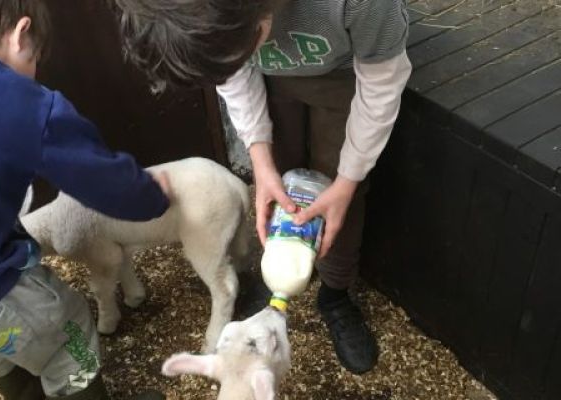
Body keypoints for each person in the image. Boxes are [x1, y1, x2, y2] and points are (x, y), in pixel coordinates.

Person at [115, 0, 412, 375]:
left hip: (346, 72)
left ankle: (335, 294)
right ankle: (278, 272)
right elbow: (231, 71)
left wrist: (348, 181)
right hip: (268, 70)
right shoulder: (219, 29)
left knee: (337, 194)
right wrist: (260, 156)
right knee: (279, 187)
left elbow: (381, 82)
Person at [0, 1, 168, 399]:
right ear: (21, 36)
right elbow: (104, 182)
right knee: (68, 331)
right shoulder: (18, 99)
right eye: (36, 57)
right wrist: (152, 194)